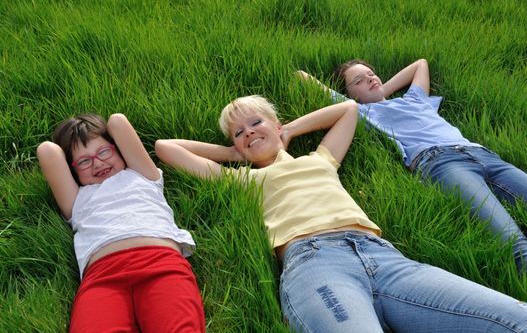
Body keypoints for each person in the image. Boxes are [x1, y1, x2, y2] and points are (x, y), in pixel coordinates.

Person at [155, 95, 527, 332]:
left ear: (277, 125)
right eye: (238, 133)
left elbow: (348, 110)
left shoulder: (320, 160)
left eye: (256, 123)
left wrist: (288, 133)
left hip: (385, 257)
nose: (248, 133)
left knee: (514, 318)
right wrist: (236, 154)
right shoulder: (241, 180)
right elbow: (165, 147)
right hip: (315, 264)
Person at [296, 59, 527, 276]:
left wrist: (381, 90)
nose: (369, 79)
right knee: (513, 241)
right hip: (442, 163)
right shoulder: (362, 113)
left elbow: (420, 64)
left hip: (484, 154)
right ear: (349, 95)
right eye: (358, 81)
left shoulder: (415, 100)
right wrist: (359, 101)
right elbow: (302, 77)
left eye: (371, 74)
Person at [37, 113, 205, 332]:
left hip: (160, 264)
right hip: (103, 277)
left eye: (104, 151)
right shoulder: (77, 198)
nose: (98, 163)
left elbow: (117, 121)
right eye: (84, 161)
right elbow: (47, 150)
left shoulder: (143, 175)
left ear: (118, 148)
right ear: (72, 170)